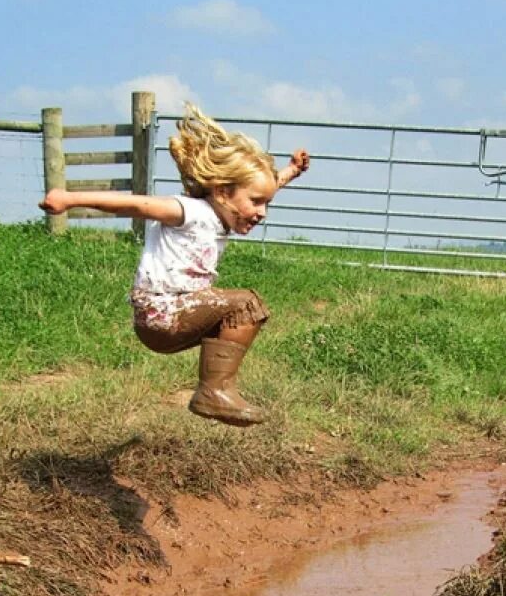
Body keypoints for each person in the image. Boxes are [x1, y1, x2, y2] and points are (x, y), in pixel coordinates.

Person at [40, 105, 309, 427]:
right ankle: (213, 391)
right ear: (223, 192)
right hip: (162, 314)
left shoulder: (224, 210)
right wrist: (69, 199)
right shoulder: (188, 211)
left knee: (246, 313)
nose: (262, 213)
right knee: (246, 304)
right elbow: (137, 204)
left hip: (181, 316)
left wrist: (290, 172)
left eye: (267, 203)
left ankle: (216, 390)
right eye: (256, 203)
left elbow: (259, 190)